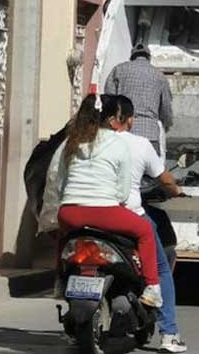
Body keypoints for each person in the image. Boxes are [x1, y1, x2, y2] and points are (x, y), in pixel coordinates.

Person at [51, 94, 162, 308]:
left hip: (70, 212)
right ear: (111, 118)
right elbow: (122, 191)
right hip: (105, 212)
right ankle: (152, 287)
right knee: (145, 231)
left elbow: (60, 182)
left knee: (63, 235)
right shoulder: (118, 142)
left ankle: (59, 280)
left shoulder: (72, 141)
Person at [112, 95, 188, 353]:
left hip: (87, 212)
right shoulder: (140, 144)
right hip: (128, 214)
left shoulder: (89, 142)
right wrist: (176, 190)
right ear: (129, 120)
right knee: (161, 267)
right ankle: (169, 334)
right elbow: (164, 179)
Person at [103, 44, 173, 155]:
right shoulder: (160, 76)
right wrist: (167, 125)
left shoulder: (118, 70)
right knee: (151, 170)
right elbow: (166, 109)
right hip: (149, 135)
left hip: (123, 133)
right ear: (149, 57)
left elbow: (108, 100)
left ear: (132, 56)